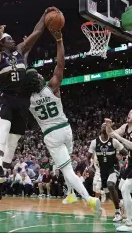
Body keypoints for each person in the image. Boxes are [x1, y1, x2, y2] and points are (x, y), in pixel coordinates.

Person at [28, 28, 102, 216]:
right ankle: (70, 194)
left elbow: (22, 76)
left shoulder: (25, 99)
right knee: (66, 165)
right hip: (66, 129)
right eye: (37, 74)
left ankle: (89, 199)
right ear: (38, 79)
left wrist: (25, 52)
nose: (39, 75)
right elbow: (60, 64)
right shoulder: (52, 87)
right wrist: (59, 39)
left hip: (51, 135)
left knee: (67, 170)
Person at [0, 7, 58, 201]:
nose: (13, 40)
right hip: (6, 98)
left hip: (23, 100)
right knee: (3, 129)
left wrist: (44, 16)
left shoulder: (19, 51)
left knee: (13, 141)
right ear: (2, 43)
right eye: (8, 39)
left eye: (11, 39)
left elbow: (36, 33)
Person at [88, 123, 127, 222]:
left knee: (110, 185)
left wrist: (119, 154)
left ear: (109, 130)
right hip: (103, 170)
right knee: (108, 195)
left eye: (106, 127)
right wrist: (89, 167)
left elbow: (125, 152)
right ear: (100, 129)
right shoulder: (94, 142)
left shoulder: (114, 142)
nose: (104, 128)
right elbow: (87, 157)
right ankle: (120, 203)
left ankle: (117, 212)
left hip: (113, 167)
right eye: (103, 126)